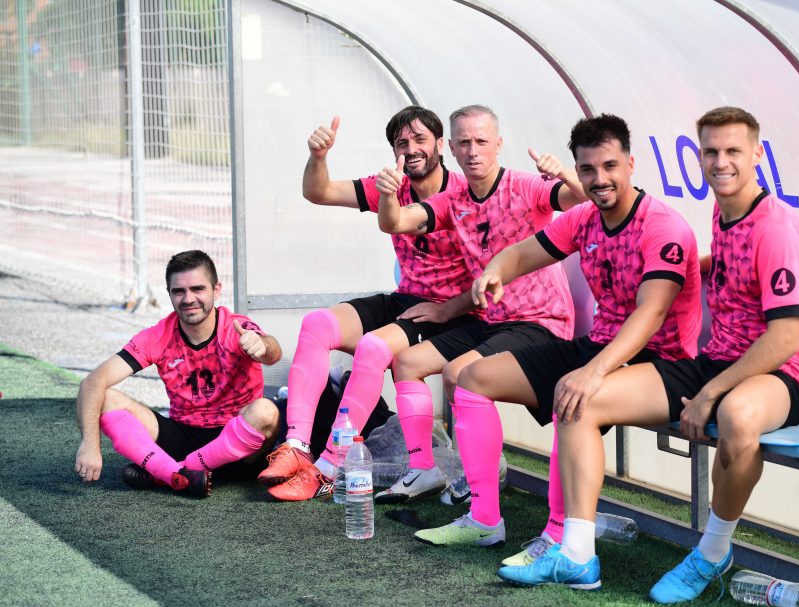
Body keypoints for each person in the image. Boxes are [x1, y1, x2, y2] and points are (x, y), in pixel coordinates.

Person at [498, 106, 799, 600]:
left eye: (733, 151)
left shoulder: (775, 227)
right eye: (711, 151)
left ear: (757, 154)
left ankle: (712, 553)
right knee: (578, 397)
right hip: (715, 362)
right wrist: (700, 266)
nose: (721, 162)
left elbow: (784, 340)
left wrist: (709, 395)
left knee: (737, 415)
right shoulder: (724, 210)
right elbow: (736, 270)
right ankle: (577, 555)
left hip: (782, 374)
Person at [450, 113, 702, 568]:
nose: (599, 179)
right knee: (472, 378)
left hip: (661, 361)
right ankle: (484, 519)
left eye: (609, 166)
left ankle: (559, 538)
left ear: (630, 165)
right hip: (599, 346)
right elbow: (521, 253)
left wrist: (593, 372)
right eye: (587, 169)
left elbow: (651, 313)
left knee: (574, 399)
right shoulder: (584, 217)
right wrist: (494, 273)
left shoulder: (663, 226)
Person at [374, 104, 587, 543]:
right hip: (492, 320)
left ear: (498, 144)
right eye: (465, 143)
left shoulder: (525, 186)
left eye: (482, 141)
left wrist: (565, 175)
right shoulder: (453, 200)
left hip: (540, 322)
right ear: (451, 148)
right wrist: (389, 193)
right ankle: (427, 470)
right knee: (407, 362)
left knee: (459, 375)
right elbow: (395, 223)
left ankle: (484, 513)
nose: (473, 151)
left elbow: (583, 200)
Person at [262, 106, 479, 502]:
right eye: (401, 142)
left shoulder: (467, 193)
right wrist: (318, 156)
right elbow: (318, 191)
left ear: (440, 145)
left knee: (373, 348)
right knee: (317, 325)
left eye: (420, 139)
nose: (410, 149)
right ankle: (296, 446)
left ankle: (329, 466)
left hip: (453, 311)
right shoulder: (392, 186)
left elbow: (499, 267)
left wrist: (449, 308)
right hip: (407, 299)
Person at [73, 250, 282, 496]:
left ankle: (172, 472)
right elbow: (93, 381)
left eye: (198, 289)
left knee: (266, 411)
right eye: (179, 291)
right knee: (105, 397)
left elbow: (272, 353)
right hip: (181, 436)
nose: (188, 298)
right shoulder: (157, 335)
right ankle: (177, 474)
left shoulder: (236, 326)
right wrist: (90, 444)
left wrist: (262, 345)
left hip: (238, 449)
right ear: (169, 294)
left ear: (216, 290)